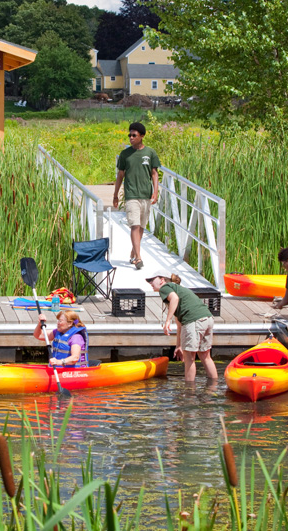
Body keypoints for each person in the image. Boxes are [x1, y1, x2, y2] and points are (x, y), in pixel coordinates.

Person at [147, 270, 217, 382]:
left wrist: (167, 321)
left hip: (194, 320)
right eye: (148, 281)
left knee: (189, 358)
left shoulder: (165, 288)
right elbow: (180, 325)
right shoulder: (177, 289)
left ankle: (189, 393)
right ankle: (214, 386)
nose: (149, 282)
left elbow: (175, 298)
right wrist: (178, 346)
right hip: (207, 318)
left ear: (162, 280)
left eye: (151, 280)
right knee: (205, 356)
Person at [112, 122, 160, 269]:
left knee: (141, 228)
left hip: (145, 194)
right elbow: (120, 175)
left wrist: (155, 191)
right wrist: (115, 194)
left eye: (134, 135)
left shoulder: (150, 153)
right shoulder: (125, 154)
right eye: (130, 135)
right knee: (134, 225)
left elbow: (154, 174)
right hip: (131, 194)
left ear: (142, 136)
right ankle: (138, 258)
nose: (131, 138)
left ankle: (133, 252)